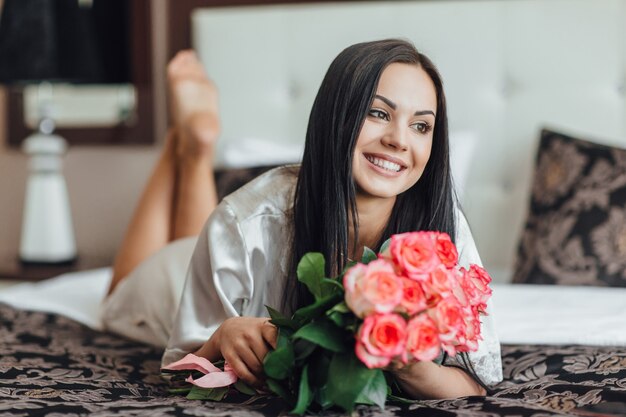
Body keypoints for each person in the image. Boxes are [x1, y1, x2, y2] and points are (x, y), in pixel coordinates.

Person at [102, 39, 503, 400]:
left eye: (421, 125)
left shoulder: (440, 236)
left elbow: (476, 384)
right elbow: (178, 373)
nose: (400, 140)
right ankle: (187, 145)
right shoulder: (245, 222)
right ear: (334, 117)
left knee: (194, 238)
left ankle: (191, 149)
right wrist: (222, 334)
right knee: (120, 291)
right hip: (173, 279)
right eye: (378, 113)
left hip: (216, 253)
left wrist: (407, 363)